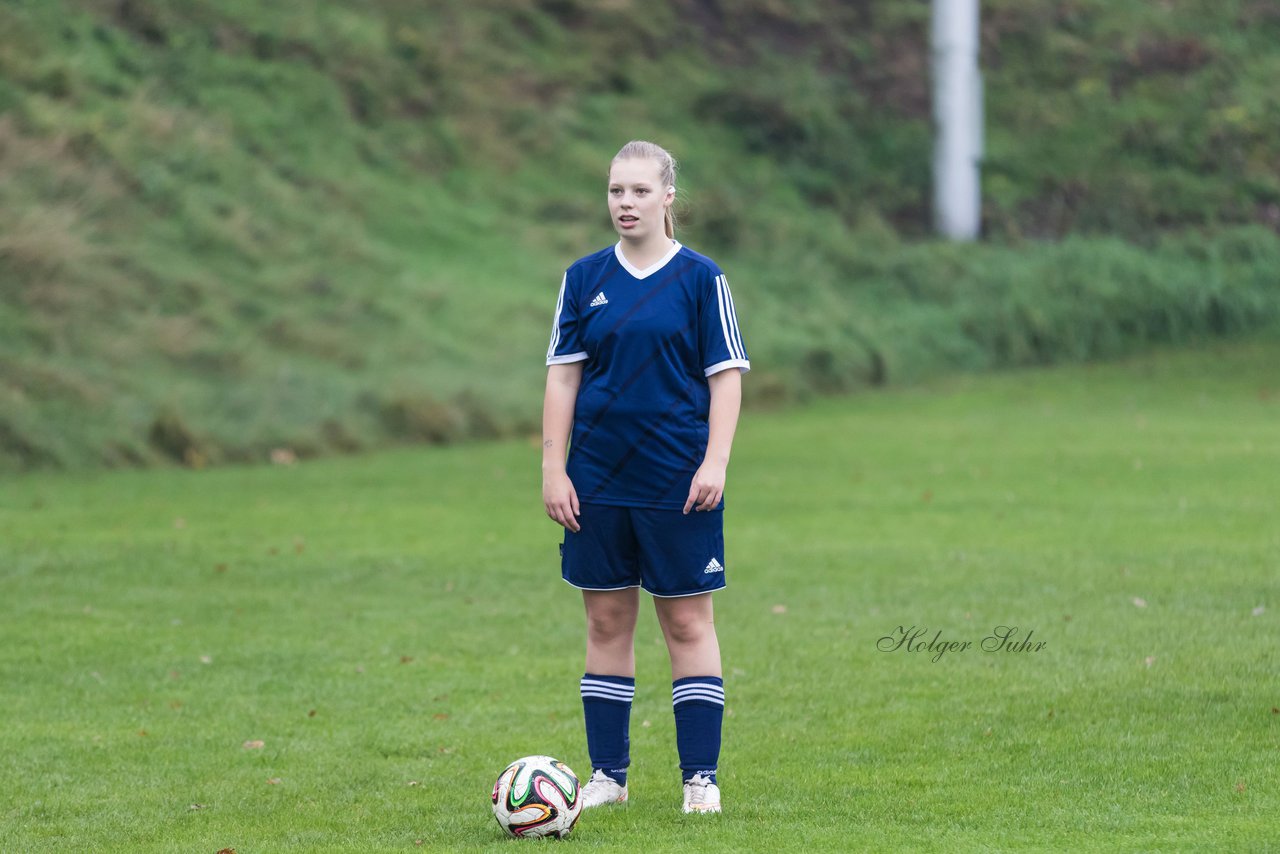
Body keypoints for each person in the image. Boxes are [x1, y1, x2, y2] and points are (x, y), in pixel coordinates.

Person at [541, 140, 749, 815]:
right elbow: (563, 375)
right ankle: (608, 777)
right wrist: (553, 467)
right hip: (596, 478)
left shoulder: (700, 279)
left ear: (667, 198)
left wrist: (715, 460)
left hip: (678, 479)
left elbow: (726, 377)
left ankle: (701, 780)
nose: (624, 203)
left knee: (687, 624)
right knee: (605, 619)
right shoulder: (582, 278)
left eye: (637, 191)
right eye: (614, 191)